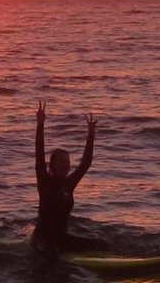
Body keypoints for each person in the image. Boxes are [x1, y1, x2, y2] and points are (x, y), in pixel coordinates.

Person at [33, 101, 107, 255]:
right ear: (52, 164)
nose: (64, 165)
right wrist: (40, 124)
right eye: (60, 161)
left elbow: (85, 163)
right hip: (42, 239)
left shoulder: (69, 184)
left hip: (61, 237)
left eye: (67, 162)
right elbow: (39, 153)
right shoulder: (44, 180)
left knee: (101, 245)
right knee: (51, 254)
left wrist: (91, 135)